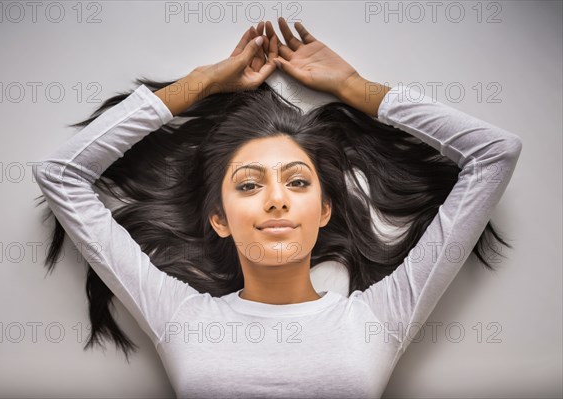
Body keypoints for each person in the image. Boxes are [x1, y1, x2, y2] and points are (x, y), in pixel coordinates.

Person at [33, 18, 522, 398]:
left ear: (324, 210)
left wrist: (354, 87)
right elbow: (61, 174)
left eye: (297, 181)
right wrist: (199, 84)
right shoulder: (180, 317)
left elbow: (494, 153)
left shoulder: (380, 317)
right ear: (219, 220)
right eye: (248, 185)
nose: (276, 198)